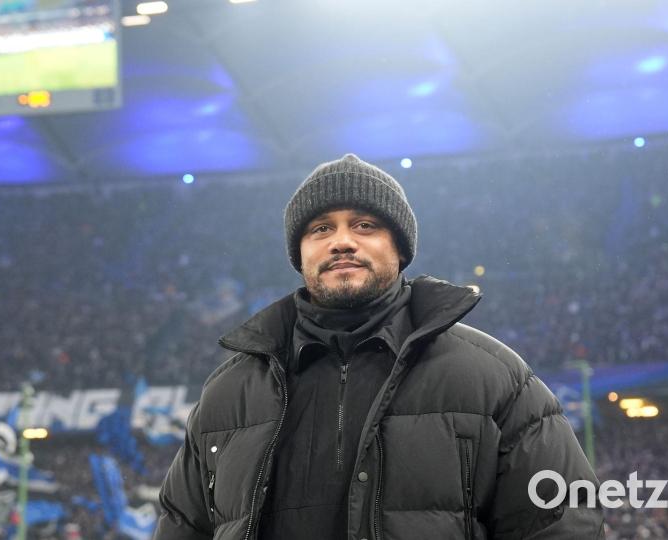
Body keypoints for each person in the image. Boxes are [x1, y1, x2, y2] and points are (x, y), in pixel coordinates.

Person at [155, 154, 605, 539]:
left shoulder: (494, 379)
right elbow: (182, 525)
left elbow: (562, 522)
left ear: (400, 247)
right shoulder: (229, 392)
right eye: (320, 229)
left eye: (365, 225)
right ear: (300, 253)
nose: (342, 241)